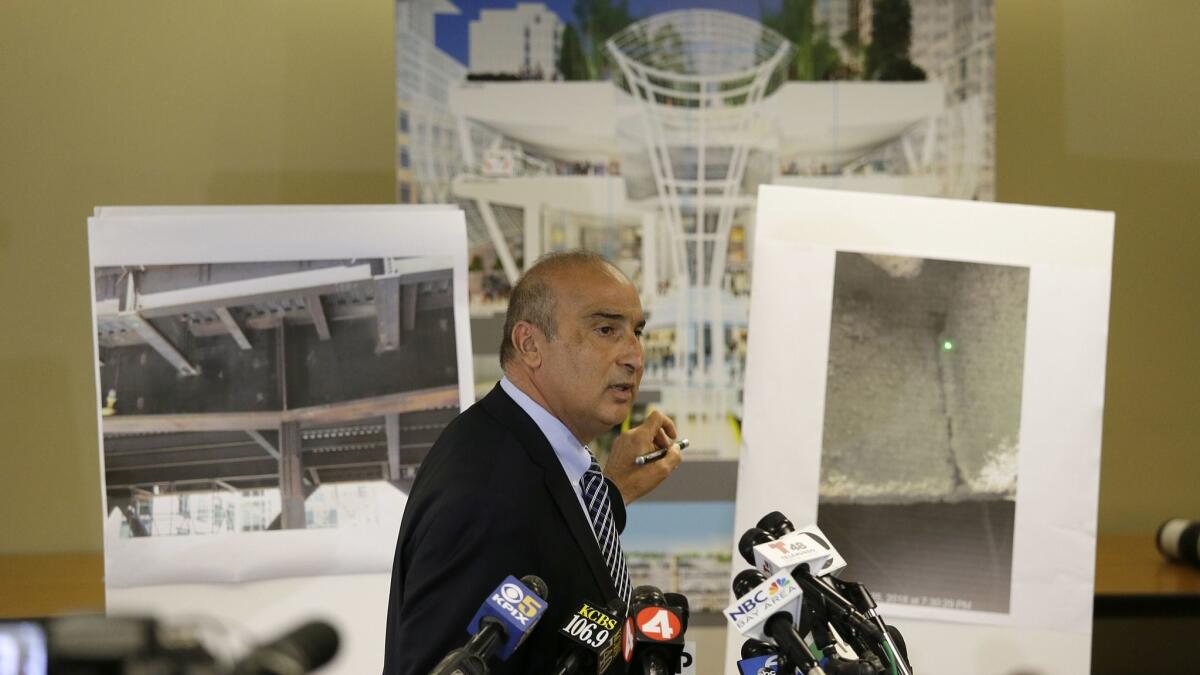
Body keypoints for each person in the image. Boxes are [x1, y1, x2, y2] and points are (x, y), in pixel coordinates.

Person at [382, 251, 683, 674]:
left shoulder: (525, 445)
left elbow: (553, 546)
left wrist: (611, 491)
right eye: (605, 329)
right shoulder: (484, 490)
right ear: (530, 345)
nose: (634, 355)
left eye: (636, 331)